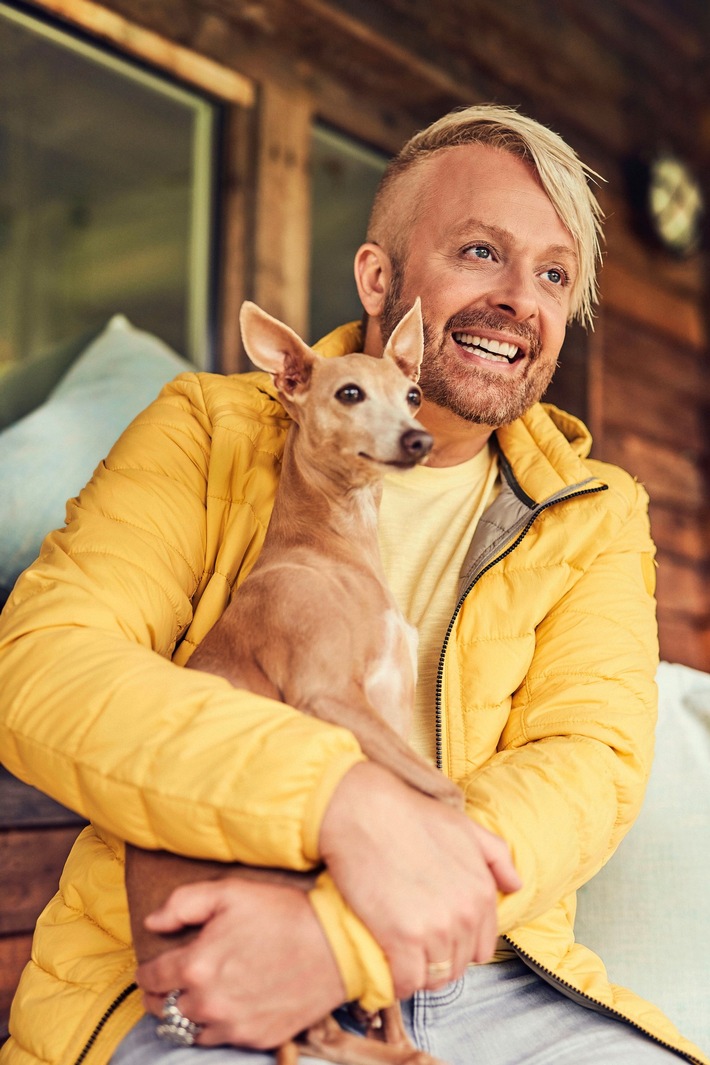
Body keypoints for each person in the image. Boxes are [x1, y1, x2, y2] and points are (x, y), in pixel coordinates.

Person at [0, 104, 705, 1065]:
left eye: (551, 275)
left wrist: (345, 940)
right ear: (380, 278)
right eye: (478, 251)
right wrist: (331, 797)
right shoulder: (206, 432)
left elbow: (588, 763)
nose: (518, 299)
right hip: (214, 951)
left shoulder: (595, 509)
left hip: (484, 973)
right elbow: (49, 667)